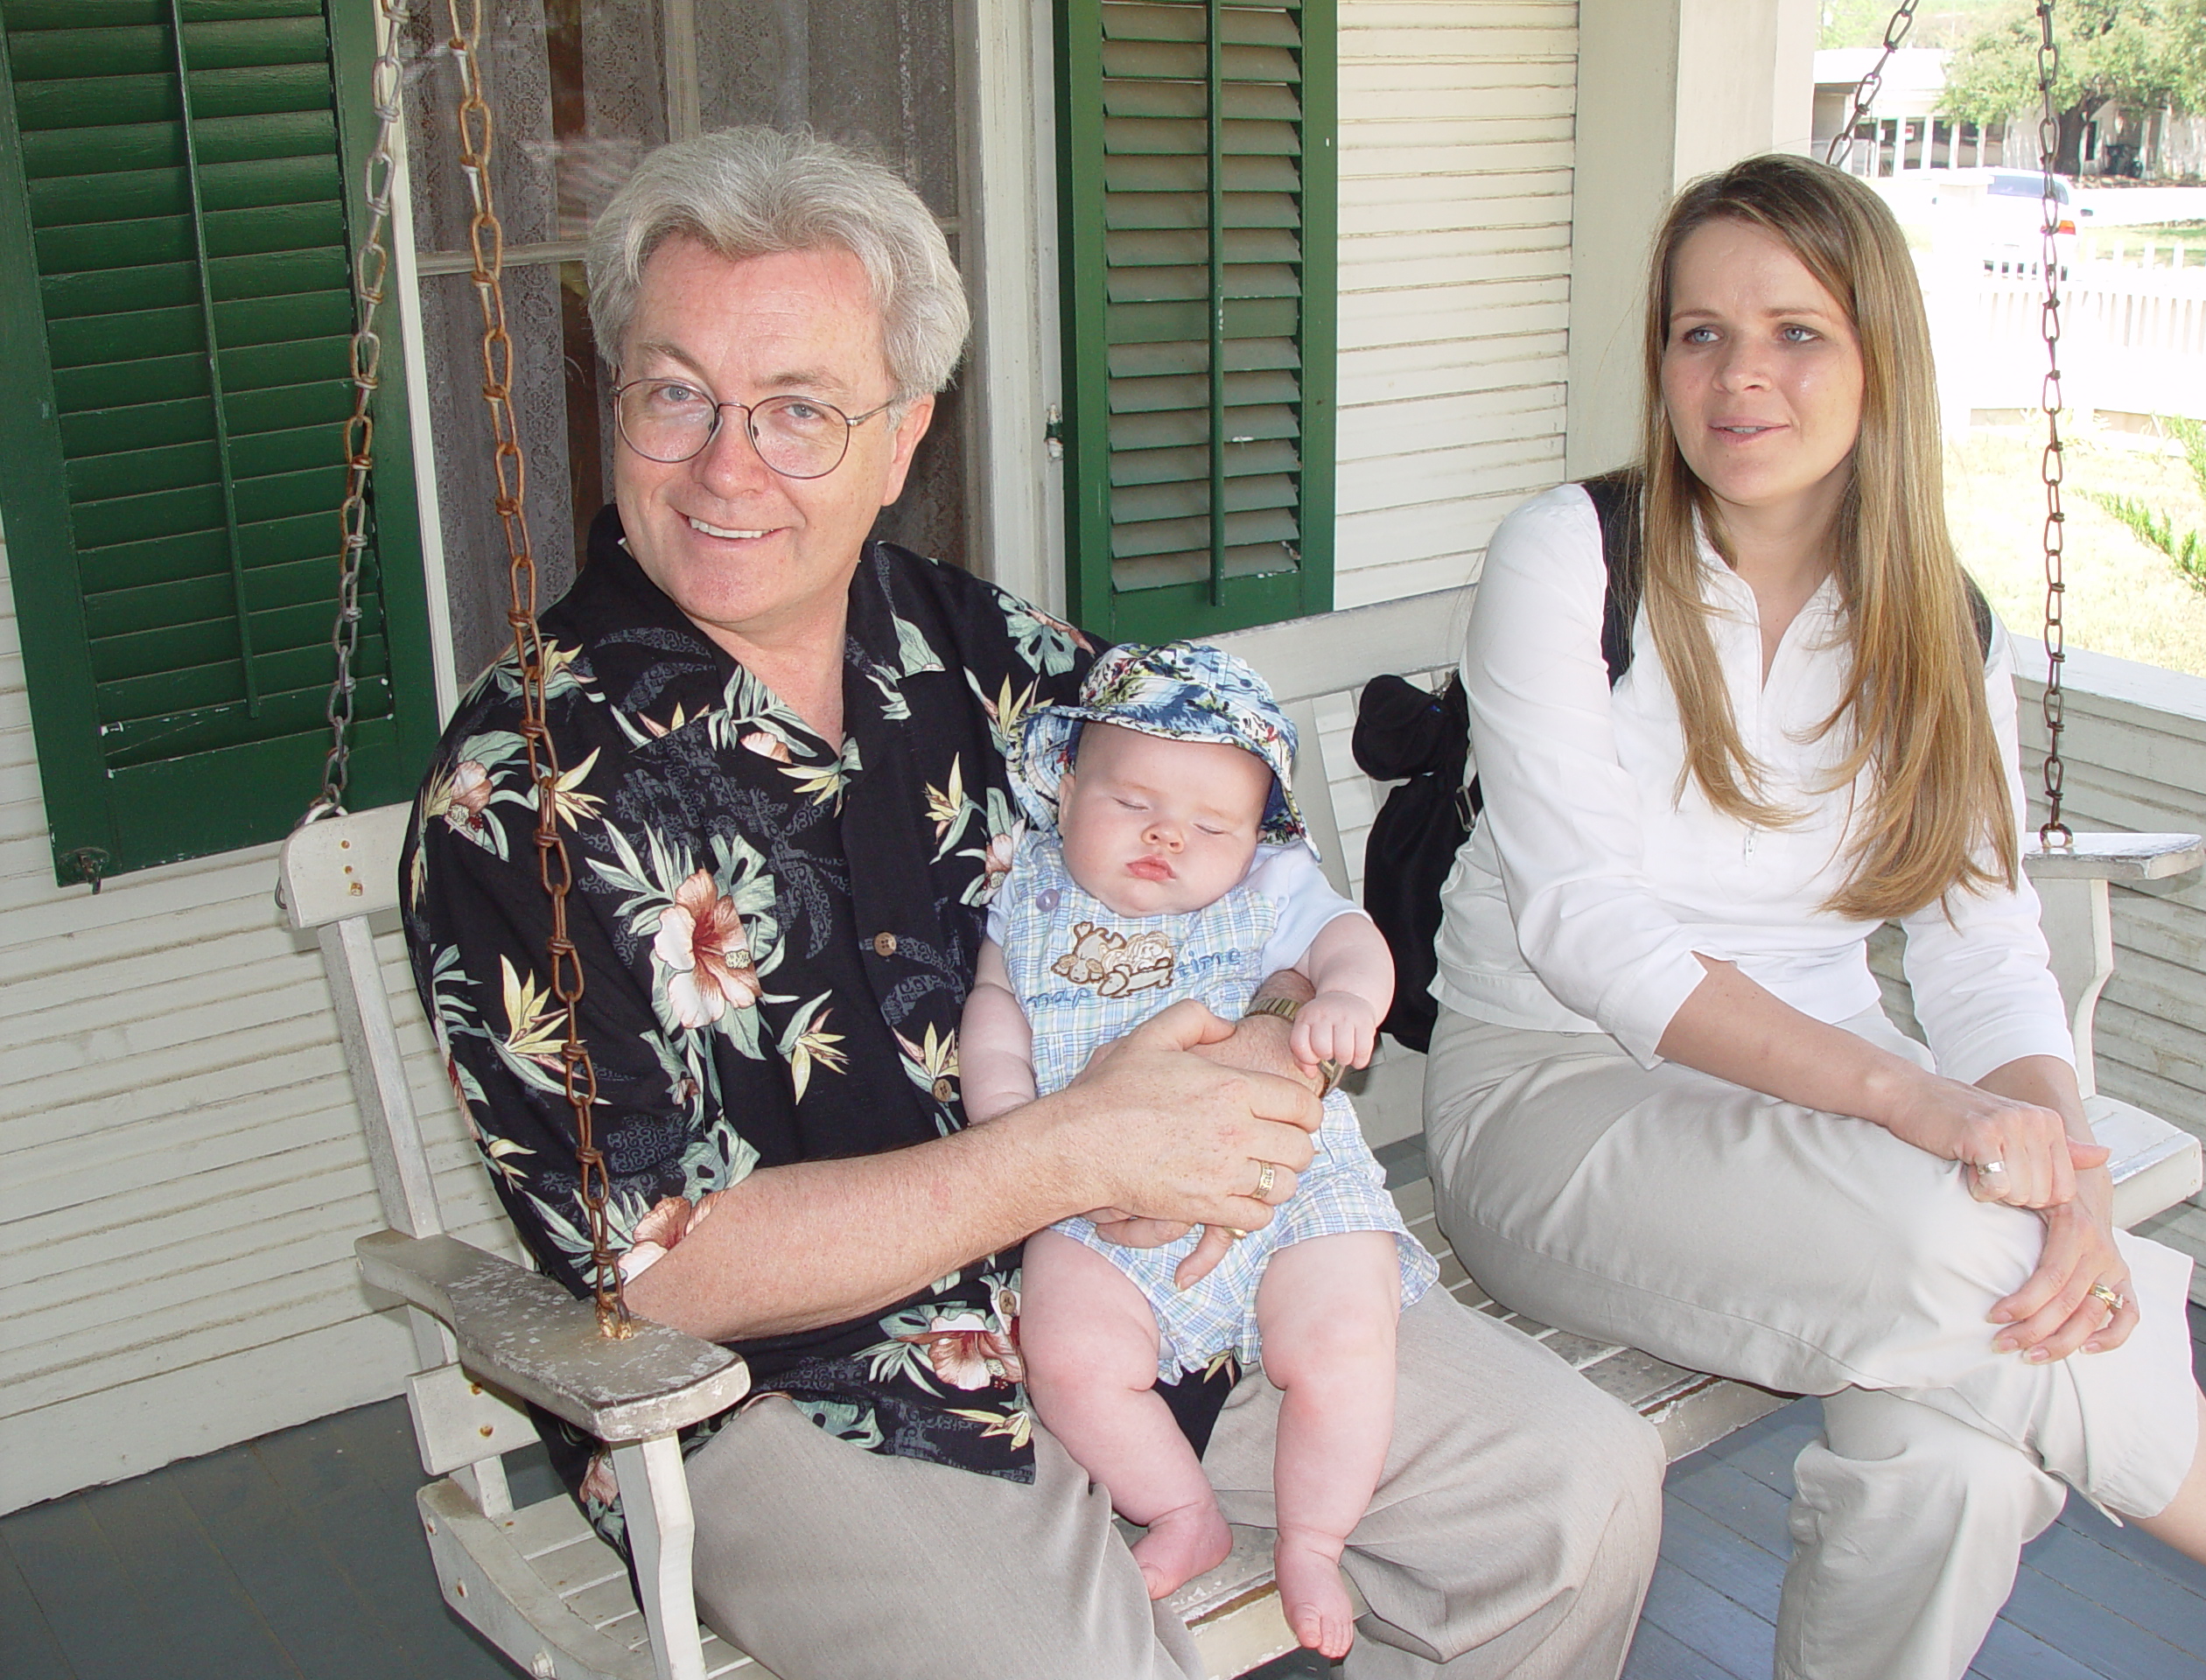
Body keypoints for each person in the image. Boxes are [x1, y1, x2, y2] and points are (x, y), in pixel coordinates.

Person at [403, 124, 1663, 1679]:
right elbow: (658, 1264)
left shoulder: (992, 659)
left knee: (1577, 1499)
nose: (726, 466)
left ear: (906, 432)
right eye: (676, 395)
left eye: (800, 409)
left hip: (1161, 1281)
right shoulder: (517, 795)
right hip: (797, 1400)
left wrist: (1252, 1064)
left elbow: (1253, 883)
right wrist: (1067, 1150)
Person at [1421, 152, 2206, 1680]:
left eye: (1797, 331)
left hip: (1826, 1123)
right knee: (1966, 1247)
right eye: (1699, 333)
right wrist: (1919, 1107)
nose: (1742, 378)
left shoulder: (1942, 618)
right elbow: (1584, 930)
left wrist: (2068, 1180)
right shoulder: (1576, 556)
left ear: (1880, 359)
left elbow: (1984, 949)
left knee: (1965, 1465)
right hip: (1557, 1099)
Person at [960, 640, 1439, 1658]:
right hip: (1097, 1199)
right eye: (1131, 804)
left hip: (1287, 1180)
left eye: (1209, 824)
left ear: (1252, 834)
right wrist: (1009, 1126)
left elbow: (1347, 938)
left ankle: (1313, 1538)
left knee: (1344, 1344)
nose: (1167, 837)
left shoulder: (1270, 882)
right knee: (1072, 1357)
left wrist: (1348, 997)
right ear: (1068, 785)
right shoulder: (1028, 894)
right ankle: (1181, 1507)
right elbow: (994, 1014)